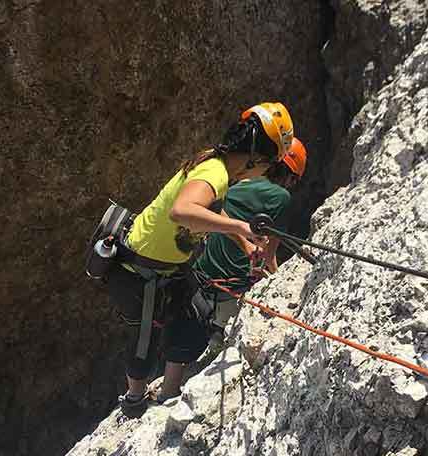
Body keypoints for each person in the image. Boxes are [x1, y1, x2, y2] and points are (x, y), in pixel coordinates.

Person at [105, 102, 294, 417]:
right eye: (269, 165)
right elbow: (183, 211)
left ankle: (168, 389)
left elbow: (209, 207)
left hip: (165, 263)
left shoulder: (214, 163)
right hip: (141, 268)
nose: (266, 172)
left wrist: (243, 243)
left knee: (196, 314)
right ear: (257, 159)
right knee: (145, 339)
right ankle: (134, 399)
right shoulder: (214, 171)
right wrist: (239, 225)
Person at [190, 137, 308, 357]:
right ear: (290, 176)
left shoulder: (240, 181)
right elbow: (268, 257)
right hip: (229, 292)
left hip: (200, 275)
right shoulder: (282, 198)